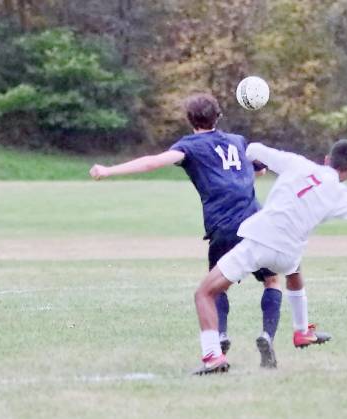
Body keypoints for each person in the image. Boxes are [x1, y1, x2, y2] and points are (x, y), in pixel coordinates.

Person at [89, 93, 322, 368]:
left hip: (222, 226)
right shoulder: (238, 141)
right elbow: (258, 170)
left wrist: (109, 170)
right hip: (257, 224)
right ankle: (266, 334)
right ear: (218, 117)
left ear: (190, 120)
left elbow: (154, 161)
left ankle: (219, 335)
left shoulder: (190, 146)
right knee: (272, 281)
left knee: (214, 289)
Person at [193, 139, 347, 374]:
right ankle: (301, 331)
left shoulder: (297, 163)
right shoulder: (341, 195)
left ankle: (213, 355)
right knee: (294, 274)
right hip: (288, 254)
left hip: (258, 242)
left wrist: (249, 165)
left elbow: (253, 149)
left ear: (327, 159)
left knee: (205, 292)